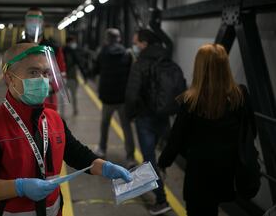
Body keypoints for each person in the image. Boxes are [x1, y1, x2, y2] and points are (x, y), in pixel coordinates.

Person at [0, 43, 132, 216]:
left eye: (45, 73)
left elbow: (76, 153)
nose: (42, 79)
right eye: (33, 72)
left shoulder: (54, 119)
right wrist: (19, 187)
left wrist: (104, 167)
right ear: (9, 77)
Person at [158, 43, 256, 216]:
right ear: (225, 65)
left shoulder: (191, 101)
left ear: (199, 67)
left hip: (199, 174)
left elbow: (176, 139)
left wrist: (163, 163)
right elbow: (250, 131)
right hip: (227, 171)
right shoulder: (240, 95)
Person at [124, 29, 171, 215]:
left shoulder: (140, 63)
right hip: (164, 114)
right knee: (163, 156)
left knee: (149, 159)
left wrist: (129, 115)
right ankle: (161, 176)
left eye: (136, 42)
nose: (135, 46)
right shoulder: (166, 58)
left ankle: (161, 199)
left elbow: (131, 93)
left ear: (144, 43)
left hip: (146, 117)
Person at [94, 28, 137, 169]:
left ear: (107, 39)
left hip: (107, 97)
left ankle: (102, 149)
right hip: (122, 98)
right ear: (119, 38)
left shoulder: (102, 53)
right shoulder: (127, 54)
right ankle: (130, 157)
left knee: (104, 124)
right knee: (126, 127)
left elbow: (95, 70)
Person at [24, 7, 67, 110]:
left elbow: (62, 75)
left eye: (37, 19)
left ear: (43, 23)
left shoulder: (53, 49)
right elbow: (10, 76)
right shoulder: (18, 48)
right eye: (30, 20)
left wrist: (49, 89)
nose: (33, 23)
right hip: (23, 103)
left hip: (48, 103)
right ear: (25, 23)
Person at [62, 35, 83, 116]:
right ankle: (74, 110)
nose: (74, 43)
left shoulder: (62, 51)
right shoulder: (72, 52)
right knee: (73, 95)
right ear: (69, 42)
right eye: (73, 42)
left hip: (65, 78)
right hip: (70, 77)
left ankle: (64, 113)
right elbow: (79, 64)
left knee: (64, 97)